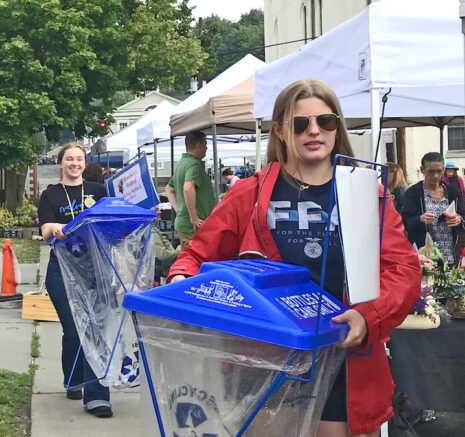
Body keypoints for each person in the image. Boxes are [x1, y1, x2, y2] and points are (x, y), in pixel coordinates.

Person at [167, 79, 420, 437]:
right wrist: (180, 284)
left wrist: (369, 316)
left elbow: (403, 269)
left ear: (337, 128)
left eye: (325, 121)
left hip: (343, 357)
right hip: (266, 359)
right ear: (281, 131)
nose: (314, 131)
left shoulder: (367, 194)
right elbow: (196, 255)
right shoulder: (249, 193)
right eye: (300, 123)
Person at [37, 142, 112, 418]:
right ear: (61, 163)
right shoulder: (51, 195)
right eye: (69, 159)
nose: (75, 163)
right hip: (62, 269)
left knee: (94, 329)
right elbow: (45, 229)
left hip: (95, 269)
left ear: (84, 162)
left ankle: (97, 397)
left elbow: (111, 222)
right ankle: (73, 379)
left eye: (79, 159)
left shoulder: (99, 191)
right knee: (74, 330)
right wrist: (56, 228)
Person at [403, 153, 465, 266]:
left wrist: (459, 220)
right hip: (425, 259)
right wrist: (420, 219)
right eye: (431, 171)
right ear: (422, 170)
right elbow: (405, 223)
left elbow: (463, 217)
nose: (436, 175)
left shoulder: (453, 192)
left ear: (443, 170)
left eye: (439, 171)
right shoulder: (413, 193)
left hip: (450, 256)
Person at [164, 131, 216, 249]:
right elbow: (188, 188)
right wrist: (194, 218)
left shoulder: (182, 163)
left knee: (189, 260)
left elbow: (169, 188)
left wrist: (179, 209)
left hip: (186, 225)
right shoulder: (194, 165)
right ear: (199, 145)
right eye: (205, 144)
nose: (207, 148)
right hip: (193, 228)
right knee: (195, 262)